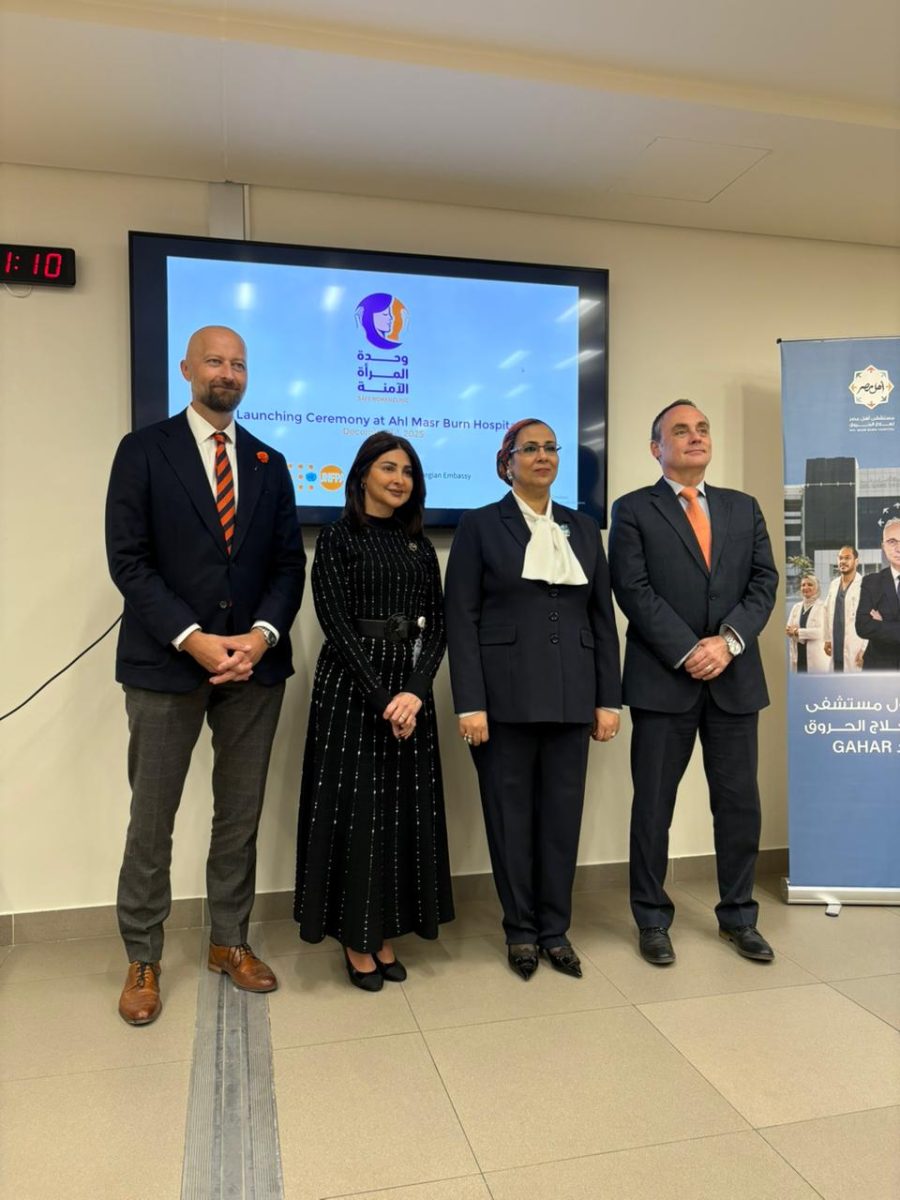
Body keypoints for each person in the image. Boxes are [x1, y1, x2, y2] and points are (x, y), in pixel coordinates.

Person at [106, 325, 306, 1025]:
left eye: (239, 364)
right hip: (166, 663)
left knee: (239, 815)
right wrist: (193, 639)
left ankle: (229, 942)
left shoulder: (269, 461)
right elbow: (128, 559)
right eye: (215, 361)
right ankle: (143, 956)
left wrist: (260, 636)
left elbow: (288, 564)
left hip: (253, 667)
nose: (228, 372)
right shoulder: (143, 450)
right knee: (151, 819)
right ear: (187, 368)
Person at [444, 419, 621, 981]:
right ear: (507, 461)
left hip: (574, 697)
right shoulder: (479, 525)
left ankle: (555, 930)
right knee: (510, 819)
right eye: (530, 448)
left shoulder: (583, 527)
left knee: (562, 821)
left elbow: (602, 618)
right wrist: (469, 703)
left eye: (550, 447)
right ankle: (520, 930)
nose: (542, 456)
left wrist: (609, 699)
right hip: (504, 700)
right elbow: (461, 620)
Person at [608, 400, 778, 966]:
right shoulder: (633, 509)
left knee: (739, 805)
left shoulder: (742, 507)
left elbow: (764, 582)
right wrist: (688, 650)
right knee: (654, 806)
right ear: (656, 448)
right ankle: (652, 919)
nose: (696, 437)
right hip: (663, 680)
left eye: (702, 428)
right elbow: (633, 589)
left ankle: (739, 917)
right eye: (680, 431)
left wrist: (727, 642)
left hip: (735, 677)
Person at [294, 432, 453, 991]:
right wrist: (383, 698)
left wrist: (414, 691)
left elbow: (439, 625)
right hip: (352, 691)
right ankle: (356, 938)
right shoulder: (338, 538)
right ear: (362, 474)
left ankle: (384, 930)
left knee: (401, 814)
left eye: (408, 471)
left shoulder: (419, 546)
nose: (399, 480)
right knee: (357, 814)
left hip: (410, 694)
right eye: (388, 468)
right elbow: (334, 623)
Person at [856, 518, 900, 671]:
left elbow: (872, 627)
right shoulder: (871, 582)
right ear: (883, 546)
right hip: (879, 668)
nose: (898, 548)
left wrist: (882, 624)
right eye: (892, 542)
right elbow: (862, 627)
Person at [823, 545, 867, 671]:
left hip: (855, 648)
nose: (842, 561)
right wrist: (827, 639)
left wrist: (865, 649)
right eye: (840, 558)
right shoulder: (834, 584)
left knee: (853, 681)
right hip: (836, 646)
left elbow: (872, 619)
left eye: (847, 558)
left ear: (856, 561)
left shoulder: (865, 585)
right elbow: (827, 611)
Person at [785, 575, 829, 673]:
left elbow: (822, 632)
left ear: (817, 588)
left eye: (810, 584)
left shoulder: (823, 607)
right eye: (803, 585)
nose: (806, 587)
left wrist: (797, 632)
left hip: (816, 659)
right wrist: (790, 631)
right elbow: (788, 630)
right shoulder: (796, 607)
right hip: (798, 656)